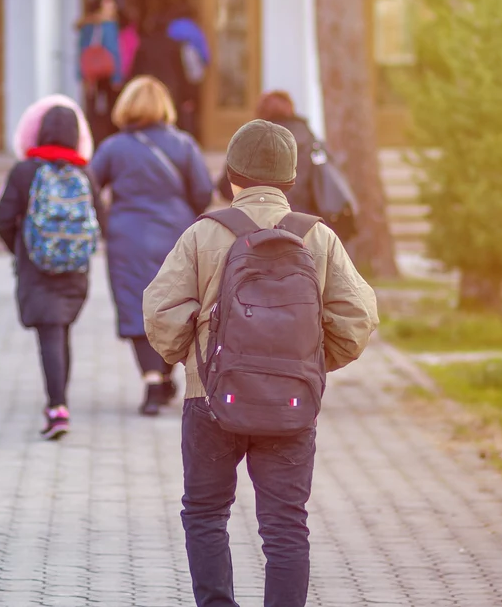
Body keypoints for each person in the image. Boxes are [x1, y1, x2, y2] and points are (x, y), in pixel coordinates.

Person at [143, 120, 379, 607]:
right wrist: (308, 361)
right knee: (286, 526)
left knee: (206, 514)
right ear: (291, 181)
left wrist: (197, 362)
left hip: (210, 399)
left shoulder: (203, 234)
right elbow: (358, 317)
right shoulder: (318, 238)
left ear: (232, 175)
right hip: (292, 401)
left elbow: (160, 312)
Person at [91, 76, 213, 416]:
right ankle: (164, 374)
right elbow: (203, 192)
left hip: (126, 237)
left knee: (135, 307)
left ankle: (151, 380)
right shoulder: (184, 145)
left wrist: (105, 222)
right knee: (177, 306)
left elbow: (89, 184)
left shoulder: (113, 147)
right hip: (176, 237)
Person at [0, 95, 106, 440]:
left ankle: (57, 407)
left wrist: (20, 247)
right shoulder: (84, 172)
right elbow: (101, 220)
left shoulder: (25, 171)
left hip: (37, 265)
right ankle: (59, 402)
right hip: (74, 267)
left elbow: (2, 218)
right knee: (60, 330)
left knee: (51, 332)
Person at [216, 91, 359, 242]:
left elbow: (225, 188)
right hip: (304, 228)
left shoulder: (248, 141)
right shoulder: (312, 142)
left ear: (261, 112)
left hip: (255, 229)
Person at [77, 0, 122, 145]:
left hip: (91, 74)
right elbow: (113, 52)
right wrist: (117, 77)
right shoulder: (109, 26)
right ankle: (105, 139)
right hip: (106, 72)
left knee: (93, 108)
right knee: (108, 109)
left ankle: (93, 139)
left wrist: (81, 73)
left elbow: (82, 51)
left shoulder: (87, 25)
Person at [130, 14, 193, 115]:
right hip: (170, 86)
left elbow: (137, 69)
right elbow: (180, 70)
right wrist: (186, 95)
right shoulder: (173, 45)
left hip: (149, 87)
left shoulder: (144, 45)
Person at [165, 5, 210, 135]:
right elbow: (203, 51)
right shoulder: (194, 28)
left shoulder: (171, 27)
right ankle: (192, 129)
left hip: (174, 72)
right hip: (192, 69)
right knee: (191, 100)